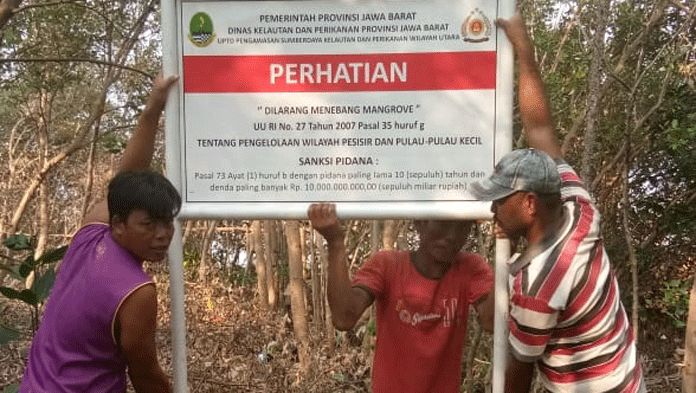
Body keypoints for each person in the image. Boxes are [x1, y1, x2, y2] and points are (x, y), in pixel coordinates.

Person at [470, 13, 646, 393]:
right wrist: (524, 50)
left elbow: (520, 371)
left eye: (500, 201)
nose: (492, 210)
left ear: (530, 203)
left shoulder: (539, 286)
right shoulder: (576, 205)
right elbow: (540, 128)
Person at [20, 74, 180, 393]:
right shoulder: (137, 292)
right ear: (118, 224)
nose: (163, 235)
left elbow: (126, 178)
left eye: (168, 223)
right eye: (149, 225)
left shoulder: (89, 237)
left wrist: (153, 108)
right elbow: (146, 376)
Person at [308, 203, 494, 393]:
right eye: (443, 223)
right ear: (419, 223)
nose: (452, 235)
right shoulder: (387, 266)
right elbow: (343, 317)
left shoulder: (470, 268)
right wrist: (335, 243)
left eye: (463, 227)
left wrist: (508, 248)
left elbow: (492, 321)